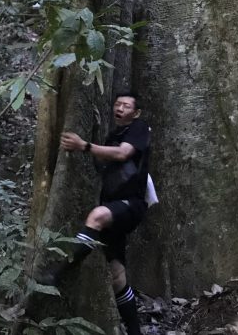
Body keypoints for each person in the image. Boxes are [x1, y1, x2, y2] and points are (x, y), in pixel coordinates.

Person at [53, 93, 151, 335]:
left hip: (131, 204)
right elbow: (105, 161)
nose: (119, 108)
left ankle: (58, 273)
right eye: (117, 104)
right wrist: (94, 137)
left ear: (135, 112)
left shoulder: (139, 129)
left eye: (126, 106)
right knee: (117, 276)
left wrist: (84, 145)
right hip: (114, 205)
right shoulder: (113, 135)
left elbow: (122, 154)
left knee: (96, 216)